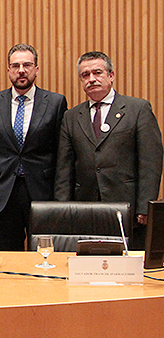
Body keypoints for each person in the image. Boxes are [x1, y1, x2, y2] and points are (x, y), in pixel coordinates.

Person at [55, 51, 163, 249]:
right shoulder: (71, 116)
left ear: (111, 76)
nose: (92, 79)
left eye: (97, 73)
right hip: (85, 209)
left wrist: (145, 206)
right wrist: (63, 209)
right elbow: (64, 168)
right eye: (85, 75)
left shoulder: (137, 109)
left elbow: (151, 161)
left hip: (127, 208)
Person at [0, 44, 68, 250]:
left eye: (27, 65)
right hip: (3, 192)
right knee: (8, 255)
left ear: (36, 69)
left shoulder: (55, 102)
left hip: (42, 191)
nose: (21, 70)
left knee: (45, 253)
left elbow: (62, 154)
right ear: (8, 70)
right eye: (16, 65)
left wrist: (61, 197)